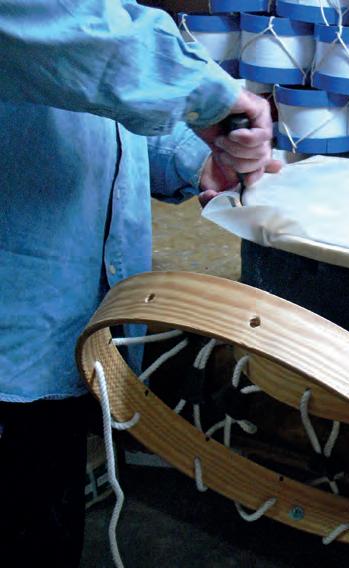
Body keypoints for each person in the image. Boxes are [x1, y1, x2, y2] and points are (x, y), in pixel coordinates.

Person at [0, 2, 280, 566]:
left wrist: (196, 157)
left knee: (43, 519)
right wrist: (211, 98)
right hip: (14, 331)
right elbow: (69, 32)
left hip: (60, 326)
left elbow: (80, 107)